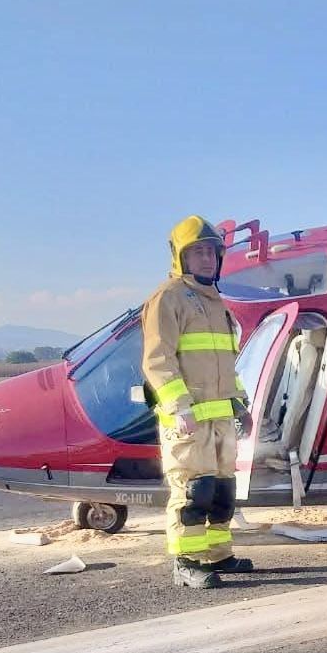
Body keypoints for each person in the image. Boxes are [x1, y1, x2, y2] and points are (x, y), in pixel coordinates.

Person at [141, 215, 254, 589]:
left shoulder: (216, 303)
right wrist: (178, 407)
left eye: (211, 251)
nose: (206, 259)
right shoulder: (168, 299)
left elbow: (224, 362)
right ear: (181, 258)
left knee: (222, 491)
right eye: (197, 252)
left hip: (220, 417)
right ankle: (186, 562)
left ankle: (219, 554)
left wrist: (240, 404)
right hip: (188, 420)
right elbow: (158, 360)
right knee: (193, 491)